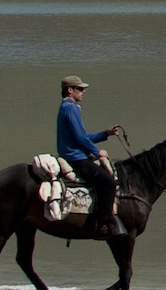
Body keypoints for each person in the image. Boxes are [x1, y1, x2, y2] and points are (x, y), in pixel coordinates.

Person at [53, 75, 124, 232]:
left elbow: (83, 136)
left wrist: (105, 134)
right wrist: (97, 152)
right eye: (80, 89)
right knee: (108, 183)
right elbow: (80, 138)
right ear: (70, 90)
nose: (83, 92)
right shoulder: (70, 108)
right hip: (76, 158)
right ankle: (103, 224)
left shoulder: (68, 107)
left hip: (75, 155)